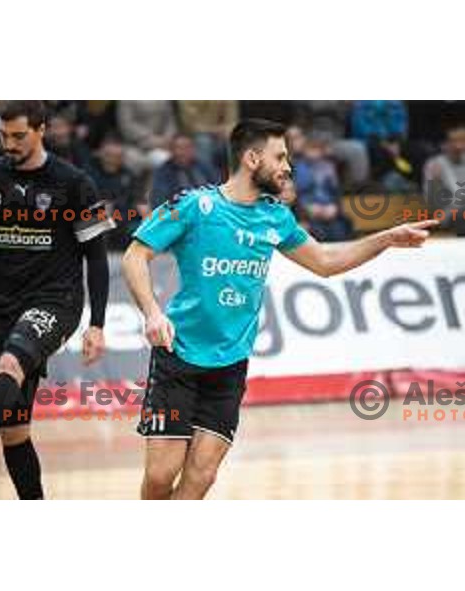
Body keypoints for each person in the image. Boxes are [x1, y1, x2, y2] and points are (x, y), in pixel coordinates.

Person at [122, 119, 438, 500]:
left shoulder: (276, 216)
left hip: (230, 363)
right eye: (280, 156)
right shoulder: (194, 206)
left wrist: (385, 238)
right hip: (179, 356)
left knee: (201, 476)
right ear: (252, 158)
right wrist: (153, 313)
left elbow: (324, 261)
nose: (288, 166)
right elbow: (135, 256)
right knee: (160, 476)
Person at [0, 101, 114, 500]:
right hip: (4, 308)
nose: (8, 144)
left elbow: (97, 259)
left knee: (10, 363)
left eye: (18, 136)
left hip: (57, 301)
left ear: (41, 130)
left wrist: (97, 323)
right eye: (2, 136)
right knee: (13, 432)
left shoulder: (75, 182)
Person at [150, 134, 219, 206]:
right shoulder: (163, 172)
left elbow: (217, 186)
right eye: (179, 148)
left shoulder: (204, 166)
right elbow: (160, 199)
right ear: (172, 151)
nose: (183, 152)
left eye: (187, 147)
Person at [117, 101, 177, 174]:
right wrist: (151, 138)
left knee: (167, 159)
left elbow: (170, 121)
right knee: (133, 161)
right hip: (134, 145)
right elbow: (126, 124)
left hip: (163, 144)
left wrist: (167, 138)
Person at [423, 124, 465, 229]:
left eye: (462, 141)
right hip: (447, 214)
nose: (459, 146)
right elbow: (456, 195)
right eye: (454, 141)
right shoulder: (435, 164)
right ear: (445, 144)